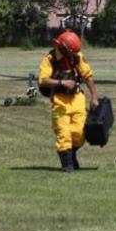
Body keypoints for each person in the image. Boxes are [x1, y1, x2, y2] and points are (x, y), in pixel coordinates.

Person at [37, 30, 100, 172]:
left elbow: (87, 75)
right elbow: (43, 80)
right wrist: (62, 83)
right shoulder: (49, 59)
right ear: (63, 48)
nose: (73, 55)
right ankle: (67, 165)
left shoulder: (77, 56)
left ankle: (71, 155)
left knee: (80, 134)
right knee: (63, 133)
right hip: (59, 101)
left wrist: (94, 96)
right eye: (71, 52)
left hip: (77, 98)